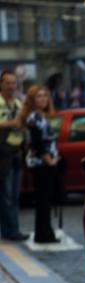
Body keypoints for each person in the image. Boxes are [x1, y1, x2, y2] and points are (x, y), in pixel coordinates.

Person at [20, 85, 60, 244]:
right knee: (43, 201)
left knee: (45, 200)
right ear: (32, 100)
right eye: (38, 96)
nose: (43, 99)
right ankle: (44, 235)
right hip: (41, 163)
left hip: (47, 162)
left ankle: (44, 233)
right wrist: (49, 159)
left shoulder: (41, 115)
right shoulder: (33, 118)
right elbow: (37, 142)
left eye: (45, 96)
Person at [0, 70, 27, 241]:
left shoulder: (18, 103)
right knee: (6, 194)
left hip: (17, 152)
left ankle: (13, 228)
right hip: (3, 153)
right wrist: (13, 123)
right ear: (1, 84)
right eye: (8, 83)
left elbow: (23, 122)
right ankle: (9, 230)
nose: (11, 86)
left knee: (15, 195)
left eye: (13, 83)